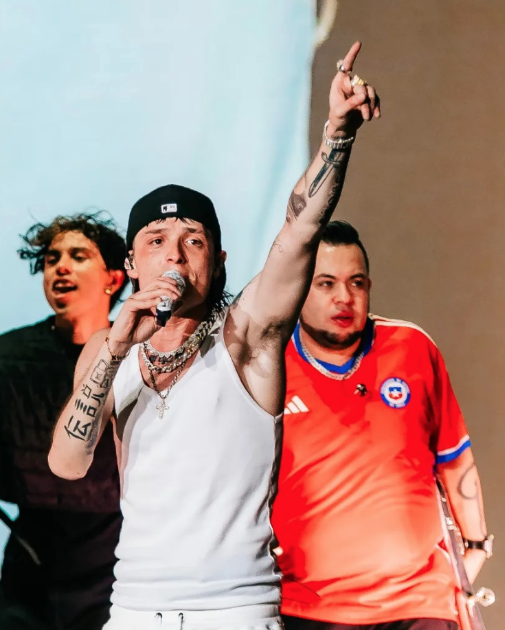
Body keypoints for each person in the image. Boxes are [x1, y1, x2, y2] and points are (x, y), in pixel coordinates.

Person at [49, 43, 381, 630]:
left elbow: (301, 230)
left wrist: (337, 134)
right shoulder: (107, 347)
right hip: (134, 609)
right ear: (131, 263)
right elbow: (68, 463)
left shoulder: (246, 335)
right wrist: (117, 349)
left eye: (193, 240)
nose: (175, 255)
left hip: (234, 610)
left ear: (218, 260)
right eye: (156, 241)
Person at [272, 221, 493, 630]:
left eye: (356, 283)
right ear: (299, 289)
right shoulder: (271, 367)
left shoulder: (411, 348)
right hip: (311, 609)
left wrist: (477, 544)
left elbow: (455, 459)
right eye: (326, 284)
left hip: (420, 601)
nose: (344, 297)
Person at [0, 213, 129, 630]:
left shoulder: (142, 361)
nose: (60, 267)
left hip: (116, 573)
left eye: (78, 256)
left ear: (113, 278)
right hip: (30, 575)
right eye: (52, 259)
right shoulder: (5, 361)